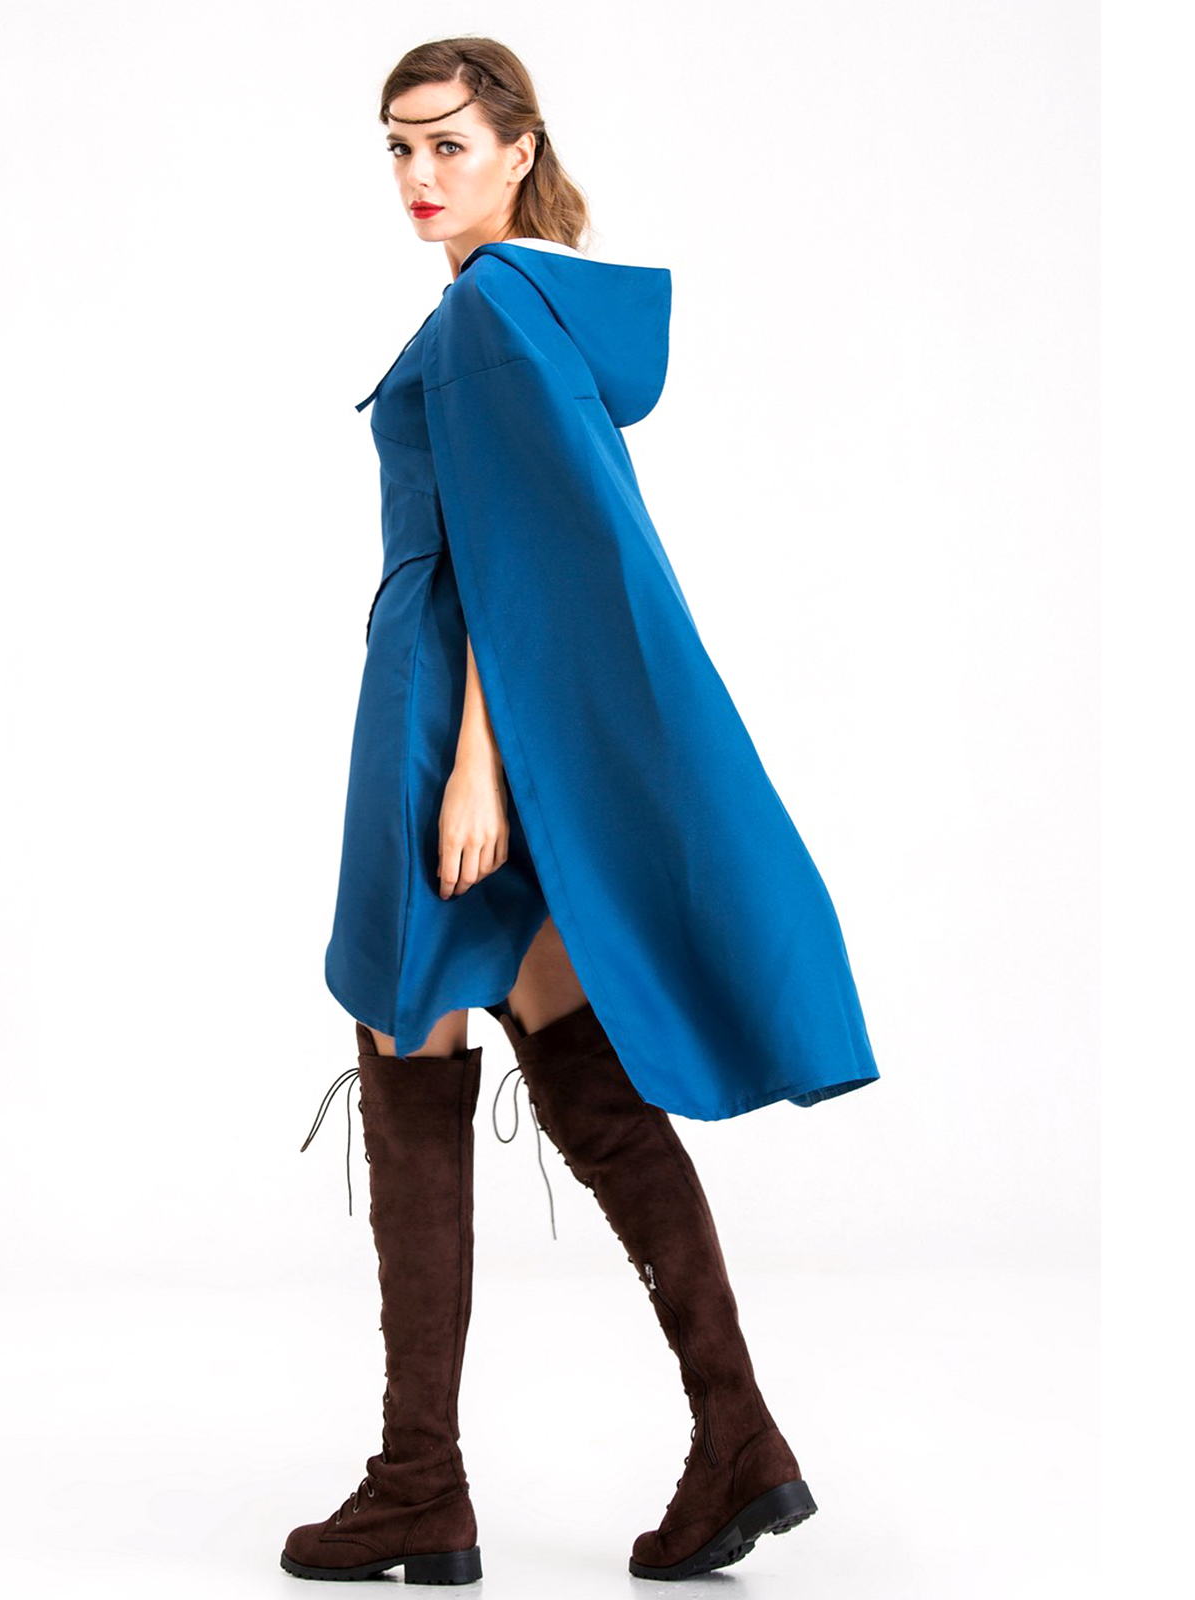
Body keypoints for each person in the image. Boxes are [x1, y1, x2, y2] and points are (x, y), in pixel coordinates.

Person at [282, 37, 882, 1586]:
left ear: (519, 145)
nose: (419, 176)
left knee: (410, 1042)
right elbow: (544, 540)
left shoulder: (492, 311)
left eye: (448, 144)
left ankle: (421, 1485)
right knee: (575, 1065)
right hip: (482, 722)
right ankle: (737, 1435)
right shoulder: (529, 304)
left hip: (448, 728)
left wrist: (476, 767)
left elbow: (514, 556)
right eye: (397, 148)